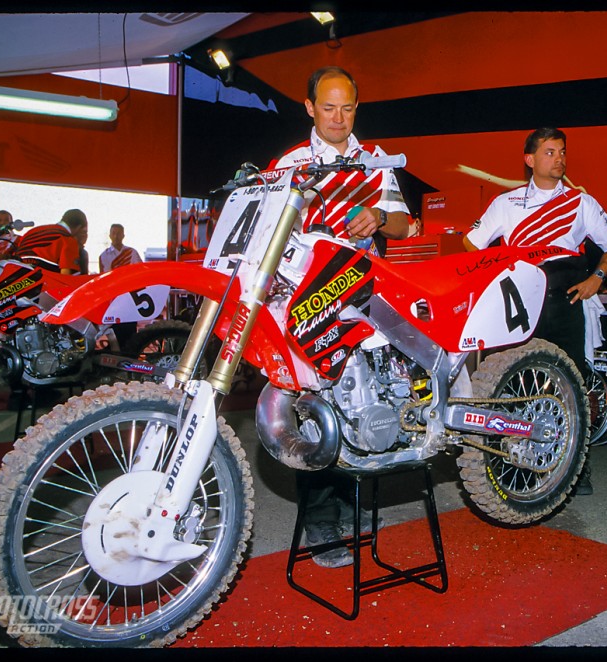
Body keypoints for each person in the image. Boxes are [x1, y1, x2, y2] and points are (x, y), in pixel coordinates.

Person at [273, 66, 411, 569]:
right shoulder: (290, 164)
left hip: (367, 295)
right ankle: (321, 521)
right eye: (328, 108)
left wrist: (381, 218)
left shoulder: (375, 161)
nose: (338, 118)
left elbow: (404, 224)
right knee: (315, 407)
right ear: (309, 108)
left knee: (365, 399)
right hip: (308, 298)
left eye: (347, 108)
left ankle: (354, 503)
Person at [463, 127, 607, 496]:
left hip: (565, 300)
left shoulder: (581, 202)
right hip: (520, 303)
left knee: (572, 382)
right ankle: (507, 463)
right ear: (530, 159)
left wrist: (597, 278)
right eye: (550, 152)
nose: (560, 159)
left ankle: (576, 466)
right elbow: (471, 243)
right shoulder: (505, 204)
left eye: (562, 151)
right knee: (513, 382)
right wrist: (497, 271)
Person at [99, 223, 144, 348]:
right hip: (114, 300)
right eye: (113, 233)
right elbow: (104, 279)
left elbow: (139, 273)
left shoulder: (132, 253)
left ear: (123, 235)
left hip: (130, 298)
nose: (116, 236)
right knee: (115, 330)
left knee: (130, 331)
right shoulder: (104, 256)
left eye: (119, 233)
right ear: (109, 235)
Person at [10, 208, 88, 275]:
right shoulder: (67, 239)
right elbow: (66, 276)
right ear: (79, 228)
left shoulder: (31, 232)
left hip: (17, 276)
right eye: (84, 231)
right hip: (42, 283)